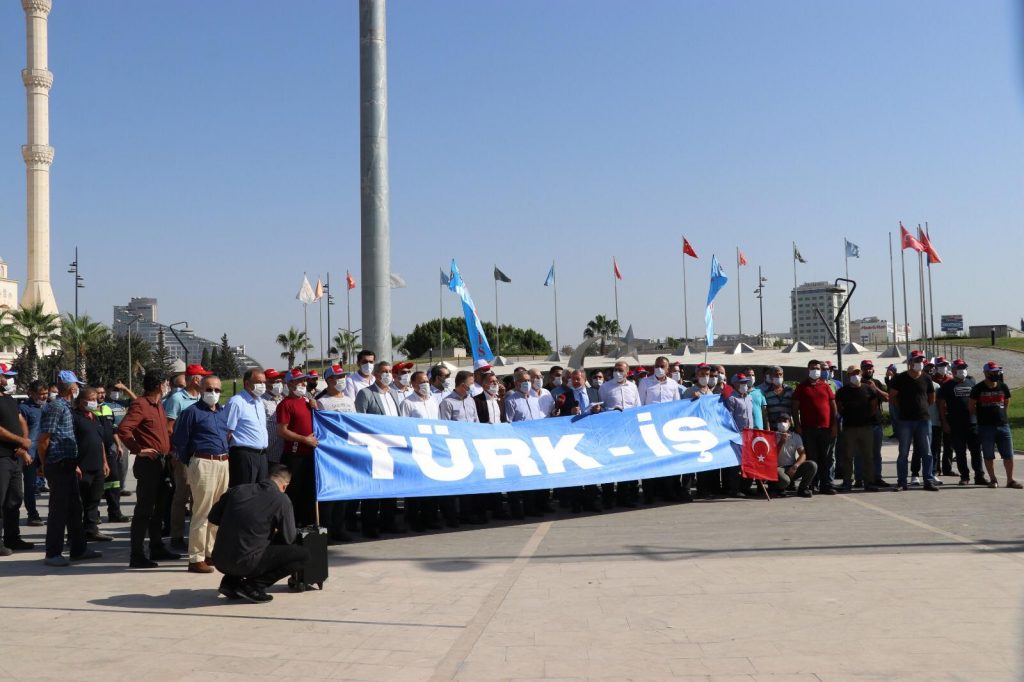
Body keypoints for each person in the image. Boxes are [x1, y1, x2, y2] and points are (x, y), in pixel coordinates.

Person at [209, 464, 309, 603]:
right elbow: (289, 538)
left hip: (219, 559)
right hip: (246, 562)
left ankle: (231, 582)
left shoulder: (237, 490)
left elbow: (213, 517)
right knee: (303, 555)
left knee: (246, 541)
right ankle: (254, 586)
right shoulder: (282, 500)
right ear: (285, 485)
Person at [118, 368, 181, 568]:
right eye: (165, 383)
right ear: (157, 385)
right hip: (149, 464)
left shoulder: (159, 405)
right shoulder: (141, 405)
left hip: (163, 463)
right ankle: (137, 554)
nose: (167, 387)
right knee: (144, 509)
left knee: (160, 508)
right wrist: (139, 449)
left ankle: (156, 547)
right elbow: (123, 430)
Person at [39, 371, 102, 566]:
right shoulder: (57, 407)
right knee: (58, 511)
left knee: (75, 508)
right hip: (58, 464)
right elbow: (44, 439)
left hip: (68, 464)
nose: (78, 389)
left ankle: (79, 549)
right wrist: (45, 464)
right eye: (76, 386)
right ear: (72, 388)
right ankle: (53, 553)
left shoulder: (66, 407)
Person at [172, 374, 231, 573]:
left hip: (223, 462)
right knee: (202, 511)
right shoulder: (191, 412)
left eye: (217, 390)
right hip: (203, 462)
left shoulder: (222, 412)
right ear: (201, 389)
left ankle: (210, 552)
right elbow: (180, 440)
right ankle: (196, 557)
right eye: (209, 389)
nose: (213, 393)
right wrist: (192, 463)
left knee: (217, 511)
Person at [163, 364, 211, 549]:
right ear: (196, 379)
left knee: (198, 496)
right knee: (181, 495)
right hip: (184, 455)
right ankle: (176, 536)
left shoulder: (202, 397)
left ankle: (196, 536)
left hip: (201, 454)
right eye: (203, 377)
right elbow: (169, 427)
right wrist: (176, 451)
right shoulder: (177, 398)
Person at [888, 351, 938, 492]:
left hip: (923, 420)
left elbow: (931, 398)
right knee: (903, 452)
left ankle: (928, 480)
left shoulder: (926, 378)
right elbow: (892, 398)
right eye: (917, 360)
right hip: (905, 420)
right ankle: (901, 482)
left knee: (927, 452)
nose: (920, 363)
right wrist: (903, 408)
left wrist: (921, 407)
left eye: (921, 360)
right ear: (910, 362)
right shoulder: (900, 378)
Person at [276, 369, 320, 527]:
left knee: (309, 493)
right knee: (294, 494)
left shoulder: (308, 402)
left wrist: (315, 406)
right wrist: (304, 440)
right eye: (299, 381)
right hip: (294, 457)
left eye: (304, 380)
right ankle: (291, 528)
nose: (303, 383)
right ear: (289, 384)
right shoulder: (285, 404)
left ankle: (308, 526)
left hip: (311, 455)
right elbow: (281, 430)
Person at [71, 387, 114, 542]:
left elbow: (100, 441)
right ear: (82, 400)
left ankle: (91, 529)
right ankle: (75, 535)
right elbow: (71, 442)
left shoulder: (95, 417)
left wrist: (104, 462)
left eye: (96, 399)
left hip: (97, 466)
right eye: (91, 399)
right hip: (82, 466)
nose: (94, 402)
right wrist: (74, 464)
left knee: (94, 500)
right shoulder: (74, 417)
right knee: (79, 501)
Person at [969, 362, 1021, 489]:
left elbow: (1006, 402)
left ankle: (1010, 480)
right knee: (988, 454)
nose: (996, 374)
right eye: (993, 372)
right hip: (986, 427)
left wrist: (1001, 415)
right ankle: (993, 479)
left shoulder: (1003, 387)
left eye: (997, 371)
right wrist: (982, 416)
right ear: (986, 373)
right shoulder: (978, 388)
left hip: (1003, 426)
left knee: (1008, 454)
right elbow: (971, 407)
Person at [791, 360, 839, 495]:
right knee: (812, 458)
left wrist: (834, 425)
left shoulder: (825, 386)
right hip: (808, 429)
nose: (816, 370)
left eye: (818, 368)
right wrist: (797, 425)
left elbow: (833, 407)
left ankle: (827, 485)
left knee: (826, 458)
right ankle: (812, 484)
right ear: (808, 370)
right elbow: (795, 407)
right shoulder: (802, 387)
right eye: (813, 368)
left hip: (826, 428)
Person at [0, 364, 33, 554]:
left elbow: (21, 420)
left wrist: (24, 442)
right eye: (5, 376)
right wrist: (21, 440)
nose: (8, 380)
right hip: (2, 457)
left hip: (15, 457)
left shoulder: (10, 399)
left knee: (15, 499)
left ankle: (13, 538)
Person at [938, 359, 986, 485]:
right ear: (953, 370)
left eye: (964, 367)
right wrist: (944, 423)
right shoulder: (947, 386)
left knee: (976, 451)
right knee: (960, 452)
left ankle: (979, 476)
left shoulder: (972, 382)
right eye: (960, 368)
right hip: (956, 424)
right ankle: (964, 476)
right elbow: (941, 405)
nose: (962, 370)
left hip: (973, 423)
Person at [834, 366, 879, 491]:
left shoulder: (868, 389)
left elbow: (874, 406)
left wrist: (866, 417)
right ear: (848, 376)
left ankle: (869, 482)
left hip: (866, 427)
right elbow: (839, 408)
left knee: (868, 456)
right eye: (853, 373)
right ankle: (847, 482)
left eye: (857, 373)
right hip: (849, 428)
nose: (856, 375)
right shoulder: (842, 391)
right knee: (848, 456)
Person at [224, 369, 270, 487]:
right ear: (247, 383)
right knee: (244, 492)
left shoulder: (259, 402)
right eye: (259, 382)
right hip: (245, 455)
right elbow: (227, 432)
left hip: (262, 455)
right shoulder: (237, 402)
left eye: (264, 382)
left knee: (260, 493)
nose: (262, 386)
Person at [17, 379, 47, 527]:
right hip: (31, 454)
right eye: (41, 394)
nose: (44, 397)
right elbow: (20, 433)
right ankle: (32, 515)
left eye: (46, 393)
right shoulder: (23, 408)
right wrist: (24, 452)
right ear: (32, 393)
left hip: (47, 453)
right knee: (30, 485)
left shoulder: (48, 407)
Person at [858, 360, 892, 488]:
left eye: (870, 368)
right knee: (860, 453)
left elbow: (886, 398)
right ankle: (859, 478)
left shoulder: (876, 383)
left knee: (876, 453)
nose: (868, 370)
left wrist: (875, 388)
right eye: (865, 368)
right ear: (861, 370)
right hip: (860, 424)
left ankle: (877, 477)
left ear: (873, 370)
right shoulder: (857, 383)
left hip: (875, 423)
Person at [772, 413, 816, 498]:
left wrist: (795, 466)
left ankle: (803, 489)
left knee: (812, 465)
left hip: (791, 467)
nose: (782, 423)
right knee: (785, 480)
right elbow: (772, 455)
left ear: (789, 423)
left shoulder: (795, 436)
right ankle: (779, 489)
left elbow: (803, 454)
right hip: (778, 467)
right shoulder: (772, 436)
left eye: (785, 421)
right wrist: (781, 442)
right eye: (780, 421)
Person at [262, 368, 286, 465]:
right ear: (265, 383)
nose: (278, 384)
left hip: (283, 452)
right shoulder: (261, 402)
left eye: (279, 381)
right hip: (268, 454)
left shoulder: (283, 399)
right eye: (274, 381)